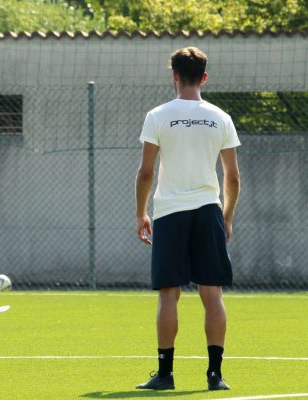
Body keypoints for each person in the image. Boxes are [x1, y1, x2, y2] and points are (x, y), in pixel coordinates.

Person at [134, 47, 241, 391]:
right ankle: (215, 375)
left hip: (169, 213)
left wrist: (140, 213)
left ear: (174, 75)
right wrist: (225, 217)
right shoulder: (221, 117)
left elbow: (146, 172)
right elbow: (233, 178)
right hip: (208, 209)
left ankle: (165, 375)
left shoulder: (158, 115)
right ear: (205, 77)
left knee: (169, 295)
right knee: (213, 294)